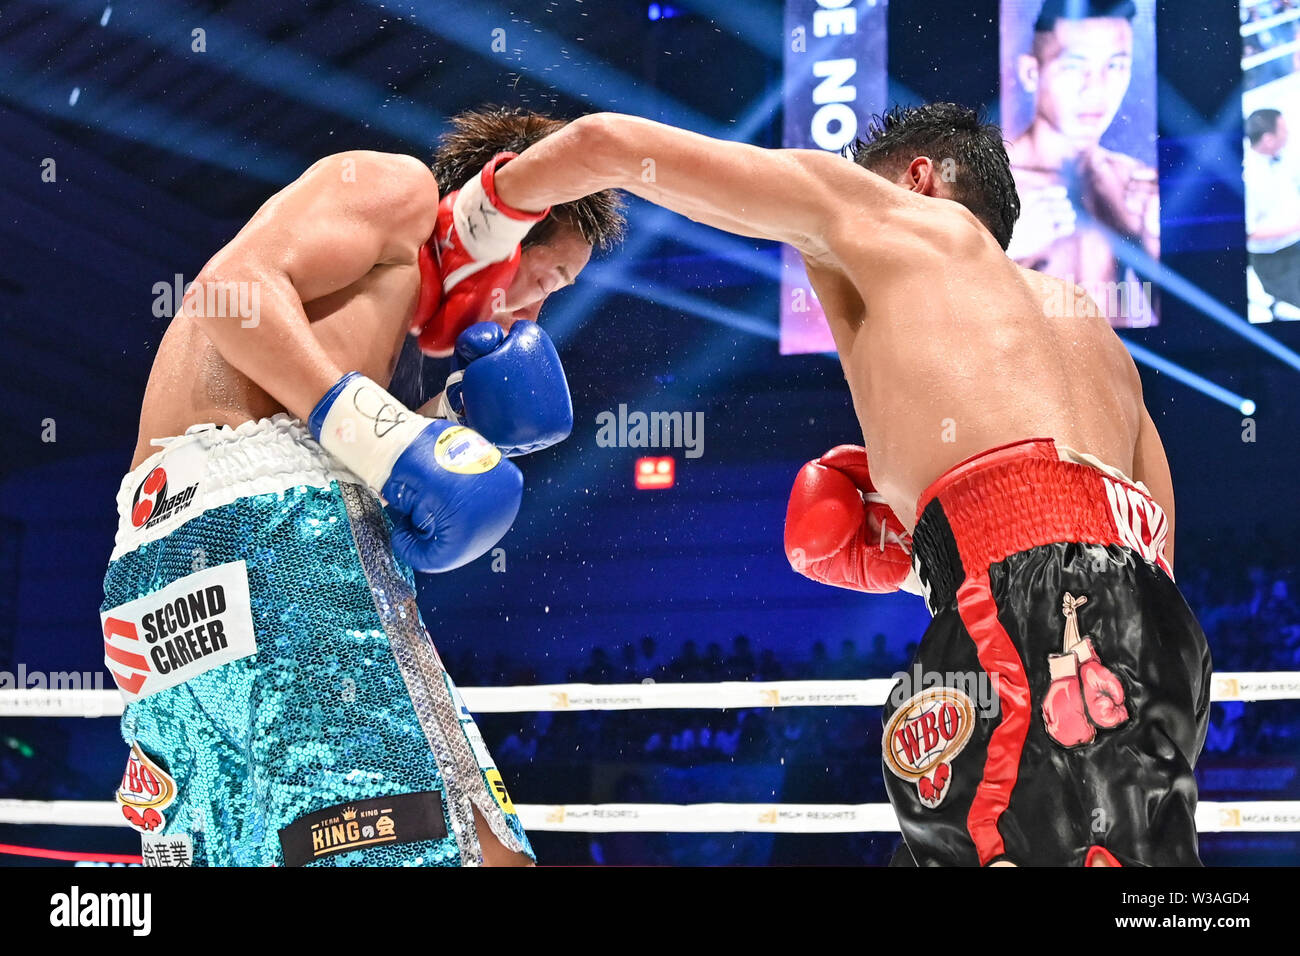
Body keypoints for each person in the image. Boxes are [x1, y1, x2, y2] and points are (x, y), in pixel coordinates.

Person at [475, 101, 1210, 866]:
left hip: (1042, 634)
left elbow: (609, 143)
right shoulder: (1088, 326)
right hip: (1147, 644)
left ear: (918, 179)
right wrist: (939, 561)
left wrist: (479, 222)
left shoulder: (905, 220)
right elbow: (1146, 549)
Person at [101, 106, 624, 867]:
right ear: (507, 220)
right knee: (461, 849)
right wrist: (382, 432)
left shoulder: (390, 325)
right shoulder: (399, 191)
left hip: (151, 579)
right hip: (280, 541)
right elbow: (232, 291)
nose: (538, 309)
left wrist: (446, 417)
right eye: (550, 277)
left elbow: (306, 419)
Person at [1006, 0, 1159, 327]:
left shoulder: (1132, 183)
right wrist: (1001, 253)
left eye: (1115, 66)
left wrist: (1155, 243)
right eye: (1075, 66)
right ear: (1031, 72)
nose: (1097, 89)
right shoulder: (984, 187)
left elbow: (1175, 327)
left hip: (1124, 376)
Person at [1244, 108, 1300, 310]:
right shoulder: (1247, 176)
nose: (1288, 135)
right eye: (1284, 130)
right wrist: (1295, 226)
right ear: (1268, 139)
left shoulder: (1282, 156)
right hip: (1276, 261)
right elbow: (1248, 232)